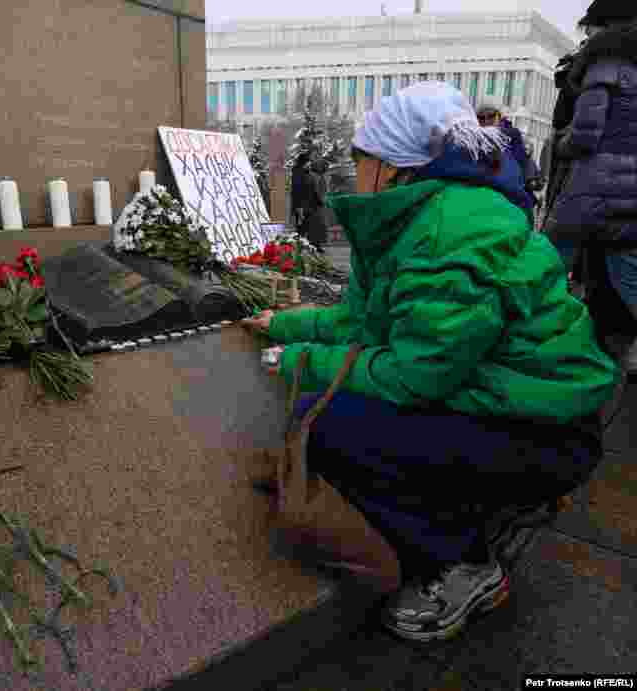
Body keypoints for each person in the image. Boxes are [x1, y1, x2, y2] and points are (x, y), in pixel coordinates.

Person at [243, 82, 617, 642]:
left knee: (336, 432)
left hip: (549, 430)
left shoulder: (448, 233)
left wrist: (297, 360)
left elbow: (415, 377)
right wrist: (283, 324)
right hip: (515, 404)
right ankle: (486, 500)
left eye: (360, 157)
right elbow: (363, 322)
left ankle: (465, 565)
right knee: (333, 415)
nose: (353, 169)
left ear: (393, 167)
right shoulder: (415, 219)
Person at [542, 0, 637, 378]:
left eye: (590, 29)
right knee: (625, 266)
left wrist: (561, 142)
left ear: (605, 27)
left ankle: (530, 339)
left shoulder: (606, 65)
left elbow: (585, 135)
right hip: (632, 187)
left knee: (547, 257)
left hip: (595, 183)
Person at [289, 154, 328, 252]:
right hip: (301, 207)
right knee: (301, 228)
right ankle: (300, 248)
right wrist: (298, 207)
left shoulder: (308, 173)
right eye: (308, 162)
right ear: (303, 162)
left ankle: (314, 246)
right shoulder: (297, 173)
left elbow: (313, 190)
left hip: (310, 206)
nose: (310, 164)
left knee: (312, 227)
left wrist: (319, 201)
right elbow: (296, 191)